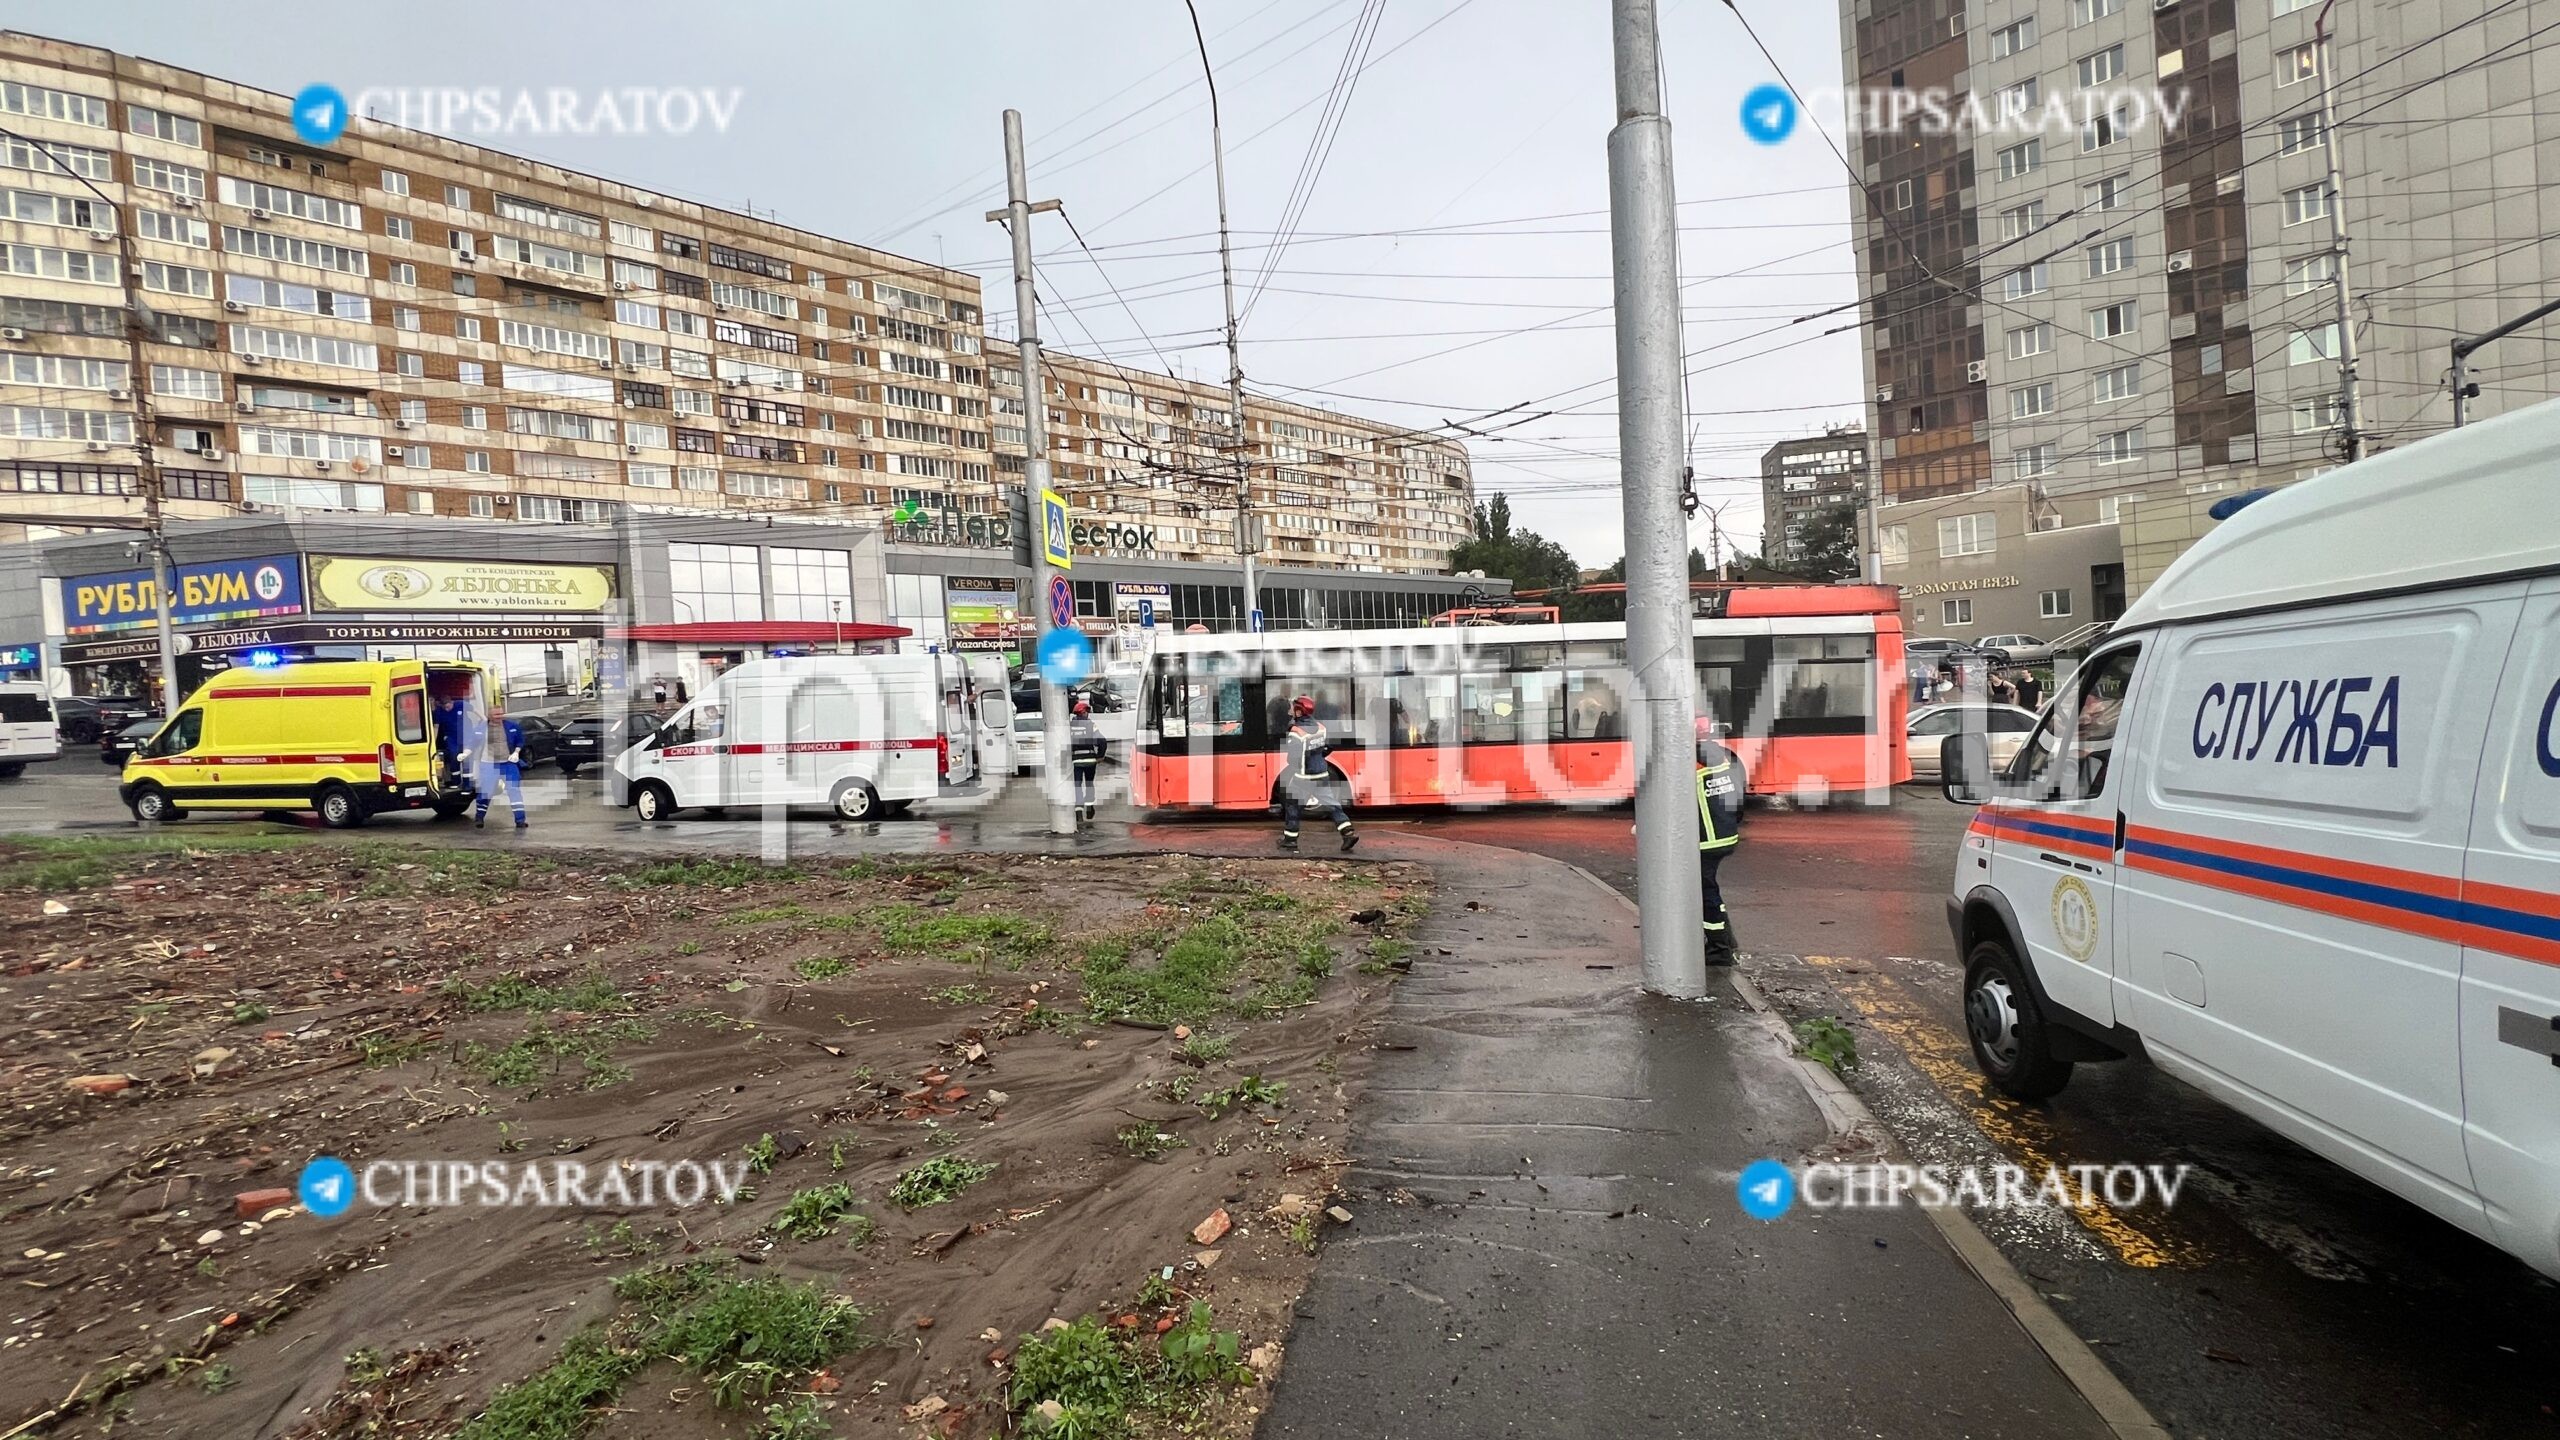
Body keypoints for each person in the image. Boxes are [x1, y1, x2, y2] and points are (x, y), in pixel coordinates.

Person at [1695, 721, 1748, 965]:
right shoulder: (1725, 757)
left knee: (1705, 893)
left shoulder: (1691, 763)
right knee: (1709, 888)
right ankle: (1726, 939)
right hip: (1725, 833)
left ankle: (1719, 949)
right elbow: (1739, 797)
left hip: (1707, 840)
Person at [1278, 694, 1356, 852]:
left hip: (1303, 777)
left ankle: (1290, 841)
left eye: (1293, 707)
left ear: (1299, 712)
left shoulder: (1296, 731)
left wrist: (1296, 769)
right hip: (1322, 773)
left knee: (1292, 807)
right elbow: (1327, 748)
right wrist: (1318, 760)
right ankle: (1348, 833)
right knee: (1332, 804)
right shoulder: (1321, 727)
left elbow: (1293, 758)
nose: (1291, 710)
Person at [473, 710, 528, 830]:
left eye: (501, 714)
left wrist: (516, 752)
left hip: (508, 763)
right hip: (489, 764)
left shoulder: (512, 726)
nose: (499, 717)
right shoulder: (481, 728)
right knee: (485, 792)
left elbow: (520, 740)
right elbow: (472, 743)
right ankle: (479, 817)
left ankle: (520, 820)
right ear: (489, 716)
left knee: (514, 790)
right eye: (496, 715)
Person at [1067, 696, 1107, 825]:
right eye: (1086, 712)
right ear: (1083, 712)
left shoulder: (1070, 726)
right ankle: (1089, 806)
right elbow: (1102, 741)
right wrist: (1100, 755)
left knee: (1077, 786)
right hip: (1090, 760)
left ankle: (1078, 812)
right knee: (1089, 783)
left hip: (1075, 761)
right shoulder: (1090, 725)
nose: (1087, 714)